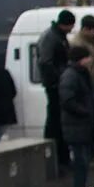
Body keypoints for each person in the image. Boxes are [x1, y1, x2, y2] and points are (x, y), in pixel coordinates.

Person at [59, 43, 94, 187]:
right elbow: (67, 100)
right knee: (81, 161)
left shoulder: (81, 73)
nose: (90, 60)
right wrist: (85, 112)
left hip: (82, 126)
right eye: (87, 57)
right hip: (76, 126)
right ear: (81, 59)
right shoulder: (71, 75)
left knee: (83, 161)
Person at [37, 9, 74, 166]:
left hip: (56, 82)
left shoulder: (57, 36)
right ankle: (56, 157)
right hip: (54, 85)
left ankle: (62, 157)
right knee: (55, 120)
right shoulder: (52, 38)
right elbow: (46, 62)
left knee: (59, 121)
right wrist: (60, 79)